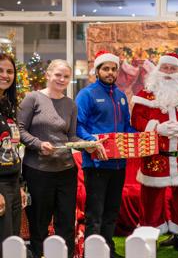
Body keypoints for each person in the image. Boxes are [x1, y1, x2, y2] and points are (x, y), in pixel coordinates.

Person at [131, 53, 178, 256]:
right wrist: (156, 127)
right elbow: (136, 119)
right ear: (158, 70)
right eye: (164, 68)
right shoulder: (145, 94)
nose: (167, 73)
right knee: (151, 199)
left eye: (172, 69)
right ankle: (150, 238)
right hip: (155, 156)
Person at [18, 59, 83, 258]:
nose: (62, 79)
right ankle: (38, 254)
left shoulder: (70, 104)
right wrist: (38, 144)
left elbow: (70, 137)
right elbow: (19, 130)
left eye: (66, 76)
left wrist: (88, 144)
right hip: (38, 171)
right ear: (48, 75)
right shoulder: (32, 98)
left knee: (66, 224)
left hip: (66, 172)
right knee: (39, 223)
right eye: (58, 75)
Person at [75, 51, 134, 258]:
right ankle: (93, 253)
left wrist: (141, 138)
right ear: (97, 71)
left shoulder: (120, 96)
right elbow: (78, 126)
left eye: (113, 68)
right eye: (105, 68)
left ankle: (108, 250)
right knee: (95, 215)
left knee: (111, 212)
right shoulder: (87, 94)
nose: (110, 72)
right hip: (96, 166)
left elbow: (127, 127)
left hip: (119, 165)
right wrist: (91, 142)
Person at [0, 53, 27, 257]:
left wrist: (19, 186)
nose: (5, 75)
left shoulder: (9, 106)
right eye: (0, 71)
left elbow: (14, 150)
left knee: (13, 242)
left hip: (12, 182)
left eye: (9, 71)